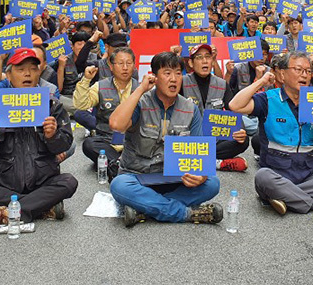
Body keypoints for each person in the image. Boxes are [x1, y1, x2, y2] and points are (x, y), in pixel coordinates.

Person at [229, 52, 313, 215]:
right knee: (262, 177)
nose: (304, 75)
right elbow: (235, 105)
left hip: (309, 175)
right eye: (298, 69)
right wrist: (262, 81)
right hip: (276, 173)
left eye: (308, 71)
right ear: (282, 73)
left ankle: (284, 197)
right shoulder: (268, 99)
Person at [0, 48, 78, 229]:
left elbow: (64, 144)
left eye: (33, 69)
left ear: (39, 73)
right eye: (21, 69)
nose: (28, 73)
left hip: (43, 180)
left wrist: (52, 136)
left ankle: (6, 212)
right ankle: (40, 207)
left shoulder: (52, 105)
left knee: (68, 182)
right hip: (4, 181)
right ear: (8, 75)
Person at [109, 51, 223, 227]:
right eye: (167, 73)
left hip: (174, 179)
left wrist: (200, 175)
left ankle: (146, 209)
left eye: (178, 73)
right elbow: (116, 124)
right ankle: (186, 213)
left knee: (212, 183)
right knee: (119, 186)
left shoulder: (190, 108)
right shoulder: (141, 102)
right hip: (139, 177)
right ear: (154, 77)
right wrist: (140, 89)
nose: (174, 79)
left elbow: (201, 157)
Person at [73, 47, 139, 175]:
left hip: (132, 141)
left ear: (134, 66)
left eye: (129, 63)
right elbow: (81, 104)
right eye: (120, 63)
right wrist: (86, 79)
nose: (125, 67)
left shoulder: (142, 88)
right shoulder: (100, 86)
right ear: (111, 66)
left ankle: (116, 165)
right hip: (108, 140)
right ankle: (119, 163)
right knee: (89, 144)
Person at [182, 44, 247, 171]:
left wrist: (241, 131)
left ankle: (198, 158)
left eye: (208, 57)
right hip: (189, 137)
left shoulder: (222, 84)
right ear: (190, 62)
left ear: (212, 61)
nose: (205, 61)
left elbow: (233, 112)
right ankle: (216, 162)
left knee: (243, 142)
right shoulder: (182, 82)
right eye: (199, 57)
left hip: (213, 139)